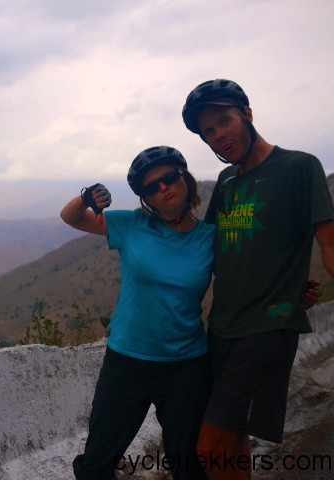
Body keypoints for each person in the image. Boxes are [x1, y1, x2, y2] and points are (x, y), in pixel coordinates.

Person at [182, 78, 334, 479]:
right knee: (233, 440)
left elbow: (329, 245)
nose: (218, 135)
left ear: (247, 115)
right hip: (224, 328)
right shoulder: (227, 184)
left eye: (224, 121)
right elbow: (208, 250)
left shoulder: (299, 167)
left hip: (267, 326)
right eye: (208, 131)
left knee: (210, 445)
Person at [62, 146, 214, 480]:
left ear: (185, 178)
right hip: (127, 361)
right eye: (150, 187)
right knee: (98, 460)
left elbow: (248, 274)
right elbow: (70, 218)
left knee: (188, 461)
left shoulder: (210, 238)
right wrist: (86, 198)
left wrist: (290, 293)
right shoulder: (132, 224)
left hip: (186, 366)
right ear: (145, 198)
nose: (163, 188)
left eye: (170, 177)